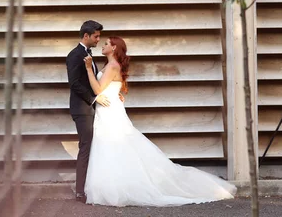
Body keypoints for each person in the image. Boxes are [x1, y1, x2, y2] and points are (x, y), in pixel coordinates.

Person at [82, 36, 237, 207]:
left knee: (115, 144)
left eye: (106, 44)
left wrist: (89, 69)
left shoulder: (112, 66)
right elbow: (110, 88)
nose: (103, 46)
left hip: (110, 111)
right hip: (107, 108)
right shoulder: (109, 65)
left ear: (114, 48)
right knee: (112, 146)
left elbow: (97, 89)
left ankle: (120, 187)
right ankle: (114, 186)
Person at [65, 20, 111, 203]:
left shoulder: (88, 54)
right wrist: (94, 99)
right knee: (85, 147)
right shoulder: (74, 55)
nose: (98, 39)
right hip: (82, 109)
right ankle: (79, 192)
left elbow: (94, 83)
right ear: (86, 36)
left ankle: (88, 188)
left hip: (90, 108)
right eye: (96, 36)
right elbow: (74, 83)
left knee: (91, 147)